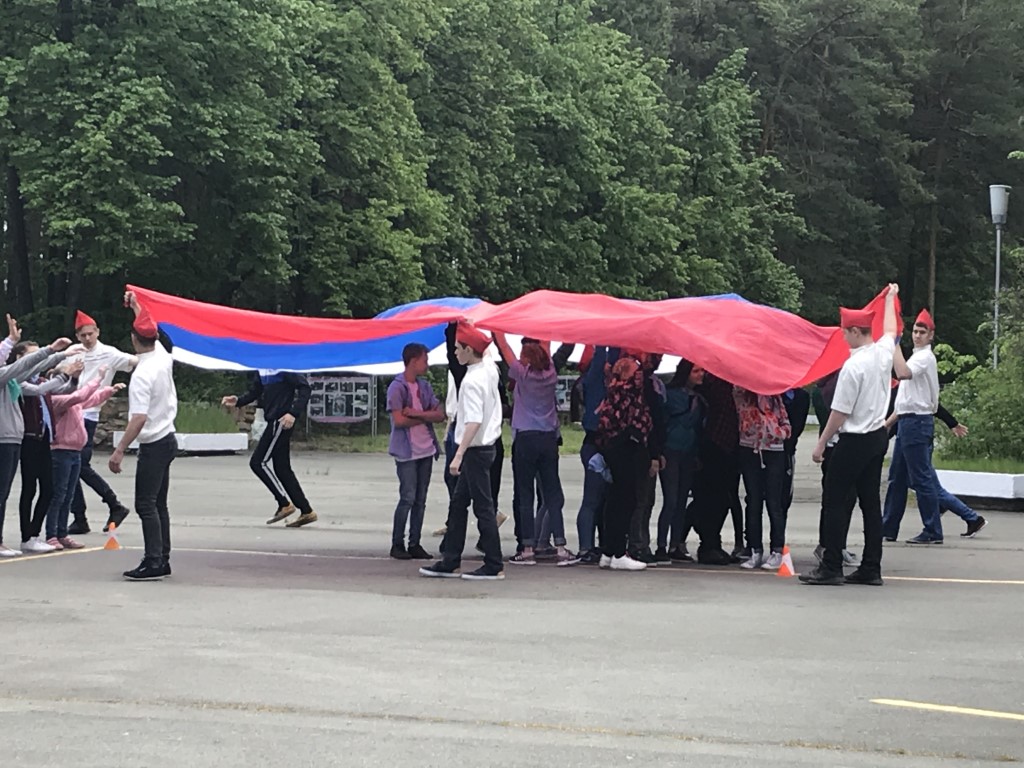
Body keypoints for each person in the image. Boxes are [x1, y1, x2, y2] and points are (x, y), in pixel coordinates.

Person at [801, 285, 900, 586]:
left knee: (835, 500)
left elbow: (840, 412)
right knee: (870, 503)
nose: (843, 337)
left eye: (845, 332)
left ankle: (831, 565)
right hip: (877, 435)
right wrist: (891, 299)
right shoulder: (883, 352)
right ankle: (872, 566)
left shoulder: (853, 367)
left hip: (854, 438)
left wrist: (821, 443)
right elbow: (891, 329)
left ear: (856, 331)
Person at [881, 310, 987, 543]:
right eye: (915, 331)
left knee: (922, 480)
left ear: (931, 335)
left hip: (917, 424)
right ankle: (887, 527)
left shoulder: (923, 358)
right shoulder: (915, 358)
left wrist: (894, 342)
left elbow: (903, 374)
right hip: (908, 422)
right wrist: (887, 425)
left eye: (922, 332)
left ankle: (932, 530)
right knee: (897, 479)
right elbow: (907, 402)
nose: (917, 335)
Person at [419, 322, 505, 580]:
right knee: (459, 504)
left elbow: (473, 421)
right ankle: (451, 559)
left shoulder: (470, 382)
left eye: (458, 348)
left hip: (475, 451)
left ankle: (493, 564)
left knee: (483, 507)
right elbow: (486, 350)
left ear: (469, 350)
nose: (454, 352)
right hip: (486, 447)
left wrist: (458, 454)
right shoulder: (489, 369)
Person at [110, 292, 178, 581]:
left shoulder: (141, 374)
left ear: (133, 339)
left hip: (153, 443)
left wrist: (120, 449)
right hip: (168, 437)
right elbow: (149, 327)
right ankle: (162, 557)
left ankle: (153, 560)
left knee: (145, 504)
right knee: (158, 503)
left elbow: (138, 418)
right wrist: (137, 305)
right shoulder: (162, 357)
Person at [494, 333, 573, 565]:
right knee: (552, 493)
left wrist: (496, 331)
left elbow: (504, 348)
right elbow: (547, 346)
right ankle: (561, 546)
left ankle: (527, 547)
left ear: (527, 359)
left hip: (525, 438)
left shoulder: (521, 373)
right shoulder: (551, 374)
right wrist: (543, 329)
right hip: (547, 438)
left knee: (525, 493)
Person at [0, 321, 75, 557]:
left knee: (7, 492)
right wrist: (52, 350)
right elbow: (24, 368)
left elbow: (31, 371)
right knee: (10, 492)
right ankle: (17, 537)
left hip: (17, 437)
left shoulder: (13, 379)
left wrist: (60, 358)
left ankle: (19, 538)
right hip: (10, 438)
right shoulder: (6, 376)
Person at [68, 310, 136, 535]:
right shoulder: (72, 352)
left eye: (90, 334)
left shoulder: (109, 353)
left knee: (79, 464)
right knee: (71, 466)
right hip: (69, 412)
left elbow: (133, 361)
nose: (87, 338)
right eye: (83, 335)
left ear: (97, 332)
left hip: (88, 413)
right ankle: (80, 516)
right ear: (77, 336)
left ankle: (113, 504)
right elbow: (56, 369)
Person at [222, 369, 316, 528]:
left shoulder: (283, 366)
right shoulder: (261, 369)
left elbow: (305, 388)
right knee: (282, 469)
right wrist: (238, 401)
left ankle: (284, 503)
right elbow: (256, 391)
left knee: (258, 463)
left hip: (281, 420)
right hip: (273, 420)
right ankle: (307, 511)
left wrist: (293, 413)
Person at [44, 368, 123, 550]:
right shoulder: (56, 400)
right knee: (58, 495)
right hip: (60, 451)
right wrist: (99, 378)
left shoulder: (73, 401)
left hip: (74, 452)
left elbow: (90, 399)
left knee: (68, 495)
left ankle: (62, 534)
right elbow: (80, 396)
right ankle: (52, 534)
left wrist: (108, 391)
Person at [595, 356, 658, 572]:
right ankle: (619, 553)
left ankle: (609, 551)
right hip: (626, 449)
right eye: (636, 371)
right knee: (626, 500)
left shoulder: (612, 390)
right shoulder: (628, 393)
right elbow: (636, 421)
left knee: (615, 499)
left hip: (615, 449)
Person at [386, 343, 445, 560]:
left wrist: (417, 414)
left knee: (421, 500)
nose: (427, 365)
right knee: (407, 498)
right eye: (424, 360)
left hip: (426, 450)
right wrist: (425, 416)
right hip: (407, 452)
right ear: (413, 361)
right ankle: (397, 543)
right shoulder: (397, 387)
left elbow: (439, 414)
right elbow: (399, 421)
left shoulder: (424, 386)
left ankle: (415, 543)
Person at [734, 386, 792, 570]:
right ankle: (755, 549)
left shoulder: (775, 398)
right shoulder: (742, 394)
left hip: (774, 451)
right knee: (753, 501)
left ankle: (777, 550)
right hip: (750, 449)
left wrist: (777, 432)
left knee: (774, 502)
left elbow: (786, 424)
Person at [654, 359, 705, 565]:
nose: (700, 375)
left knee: (682, 500)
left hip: (688, 452)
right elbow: (662, 422)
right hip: (671, 450)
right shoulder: (671, 395)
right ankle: (661, 545)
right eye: (696, 371)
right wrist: (659, 451)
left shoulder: (698, 398)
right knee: (672, 500)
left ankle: (675, 544)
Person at [688, 372, 741, 565]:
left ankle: (713, 543)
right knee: (710, 499)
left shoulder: (728, 383)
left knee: (722, 500)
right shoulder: (710, 385)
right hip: (711, 444)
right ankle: (708, 545)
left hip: (728, 445)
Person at [627, 353, 666, 565]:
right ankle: (637, 544)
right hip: (642, 449)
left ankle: (641, 543)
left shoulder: (653, 384)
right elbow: (650, 423)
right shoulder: (644, 389)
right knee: (641, 500)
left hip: (650, 447)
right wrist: (653, 454)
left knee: (647, 500)